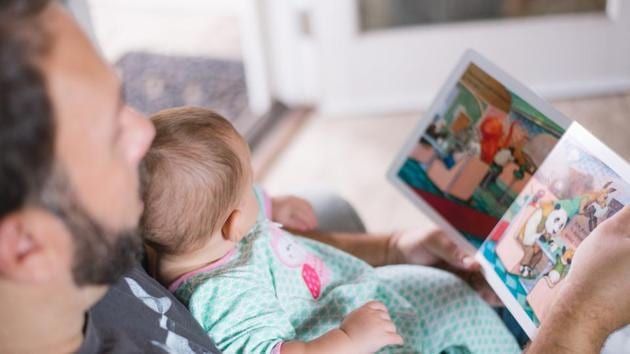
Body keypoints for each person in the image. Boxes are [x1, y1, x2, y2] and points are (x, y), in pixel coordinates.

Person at [0, 1, 628, 353]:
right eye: (110, 131)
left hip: (367, 299)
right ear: (25, 246)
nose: (143, 134)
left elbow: (247, 245)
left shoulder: (103, 234)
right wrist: (585, 315)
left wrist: (386, 247)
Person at [140, 107, 520, 353]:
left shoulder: (197, 235)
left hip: (356, 293)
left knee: (452, 289)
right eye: (251, 186)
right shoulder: (222, 296)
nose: (257, 191)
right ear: (233, 224)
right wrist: (349, 339)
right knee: (459, 314)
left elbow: (236, 206)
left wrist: (274, 204)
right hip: (350, 336)